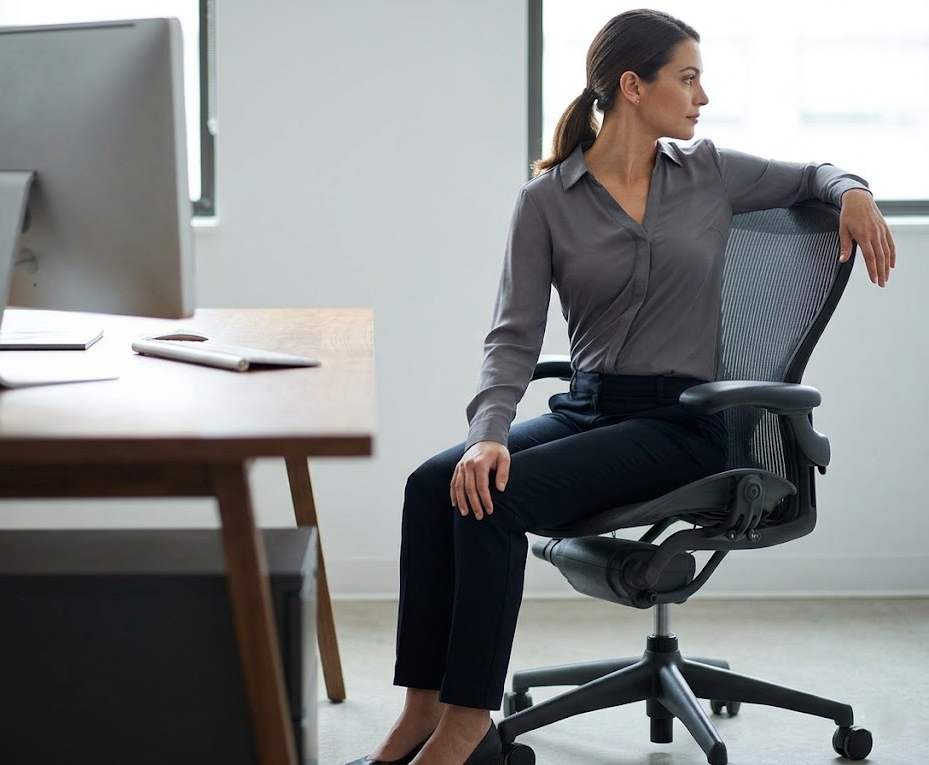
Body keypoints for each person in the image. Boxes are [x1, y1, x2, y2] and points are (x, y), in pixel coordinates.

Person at [345, 8, 896, 765]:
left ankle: (469, 730)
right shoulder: (546, 203)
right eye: (689, 77)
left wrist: (854, 191)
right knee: (436, 481)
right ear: (633, 88)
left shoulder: (708, 173)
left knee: (495, 501)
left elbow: (811, 177)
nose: (702, 96)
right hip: (588, 408)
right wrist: (488, 435)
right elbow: (513, 336)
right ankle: (421, 713)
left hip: (685, 426)